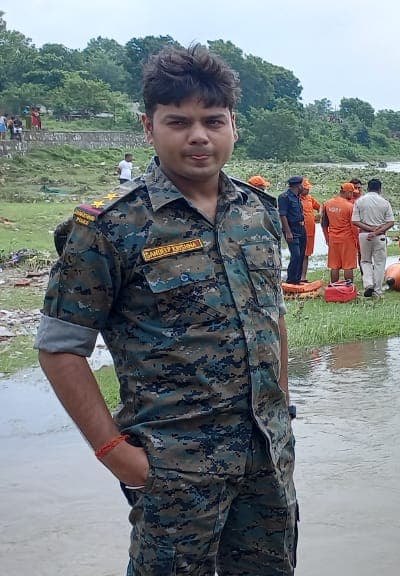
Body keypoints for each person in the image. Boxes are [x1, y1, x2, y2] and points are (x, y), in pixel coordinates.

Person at [34, 44, 297, 575]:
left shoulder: (258, 212)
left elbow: (273, 317)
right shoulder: (107, 227)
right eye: (179, 121)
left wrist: (281, 410)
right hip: (174, 472)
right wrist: (114, 453)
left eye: (212, 120)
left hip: (266, 462)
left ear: (233, 126)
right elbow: (60, 348)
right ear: (149, 127)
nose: (198, 135)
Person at [352, 178, 394, 297]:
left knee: (365, 261)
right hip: (380, 236)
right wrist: (376, 231)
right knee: (380, 262)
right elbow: (390, 222)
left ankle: (368, 284)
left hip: (364, 235)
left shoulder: (360, 201)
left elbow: (355, 221)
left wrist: (369, 230)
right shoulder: (385, 202)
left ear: (367, 188)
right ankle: (378, 289)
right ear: (379, 189)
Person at [322, 182, 359, 284]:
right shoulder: (350, 206)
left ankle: (333, 285)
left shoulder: (327, 203)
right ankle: (349, 287)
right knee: (348, 266)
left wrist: (327, 238)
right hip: (347, 239)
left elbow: (324, 223)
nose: (353, 195)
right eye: (352, 193)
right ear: (346, 192)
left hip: (333, 238)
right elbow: (354, 226)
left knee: (334, 266)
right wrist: (357, 240)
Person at [279, 176, 307, 284]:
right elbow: (283, 215)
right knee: (295, 255)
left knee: (301, 254)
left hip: (301, 228)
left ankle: (297, 279)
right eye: (302, 185)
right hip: (292, 228)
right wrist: (288, 232)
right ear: (298, 186)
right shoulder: (284, 197)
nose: (303, 187)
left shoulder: (297, 197)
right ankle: (291, 280)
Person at [300, 177, 322, 271]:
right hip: (299, 231)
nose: (308, 190)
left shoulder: (310, 198)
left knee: (307, 254)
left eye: (308, 188)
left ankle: (303, 277)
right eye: (306, 188)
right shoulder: (295, 199)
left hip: (310, 231)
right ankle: (297, 276)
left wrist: (319, 214)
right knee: (299, 254)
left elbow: (320, 206)